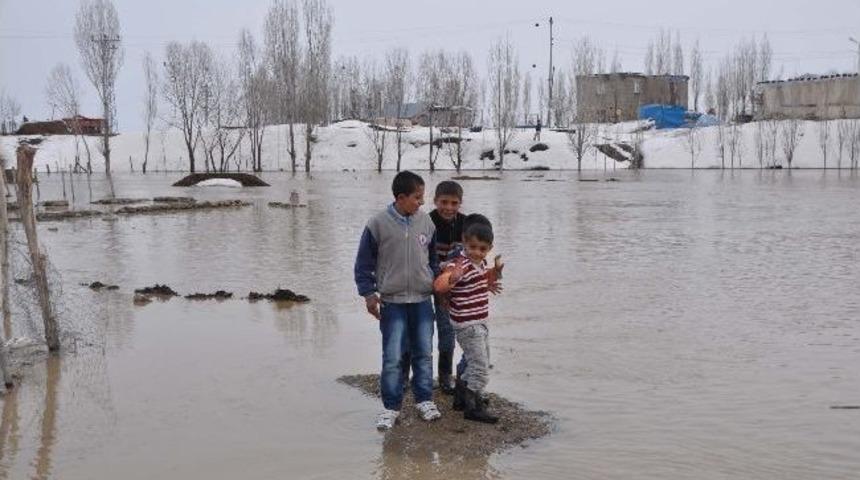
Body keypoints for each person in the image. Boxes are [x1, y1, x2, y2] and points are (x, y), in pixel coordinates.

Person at [354, 171, 442, 431]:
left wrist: (441, 283)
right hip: (391, 303)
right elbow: (363, 265)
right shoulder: (377, 224)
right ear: (400, 197)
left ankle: (424, 400)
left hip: (423, 302)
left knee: (424, 354)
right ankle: (390, 407)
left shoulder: (427, 223)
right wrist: (369, 295)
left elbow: (433, 261)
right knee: (392, 356)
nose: (421, 202)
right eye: (417, 197)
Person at [434, 222, 503, 424]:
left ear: (489, 249)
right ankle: (473, 408)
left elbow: (484, 277)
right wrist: (451, 278)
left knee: (478, 363)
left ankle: (460, 399)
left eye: (482, 249)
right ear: (464, 243)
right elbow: (439, 285)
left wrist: (496, 271)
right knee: (481, 367)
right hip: (468, 325)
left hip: (479, 322)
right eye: (472, 247)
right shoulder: (460, 264)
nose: (477, 252)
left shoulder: (479, 264)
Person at [428, 181, 466, 394]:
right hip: (425, 283)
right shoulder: (425, 222)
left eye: (454, 203)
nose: (449, 208)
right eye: (444, 202)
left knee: (447, 330)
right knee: (421, 331)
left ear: (460, 203)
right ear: (435, 201)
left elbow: (474, 254)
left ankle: (445, 376)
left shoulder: (466, 223)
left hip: (451, 287)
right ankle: (412, 375)